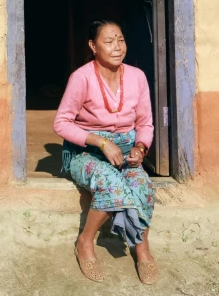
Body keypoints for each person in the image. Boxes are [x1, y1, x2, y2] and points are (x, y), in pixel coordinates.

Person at [53, 20, 158, 284]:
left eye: (120, 40)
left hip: (125, 155)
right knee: (111, 184)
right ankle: (85, 242)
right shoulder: (82, 77)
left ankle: (141, 248)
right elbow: (61, 123)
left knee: (143, 185)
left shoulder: (137, 76)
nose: (117, 47)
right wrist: (101, 142)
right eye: (108, 41)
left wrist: (140, 147)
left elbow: (145, 123)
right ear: (93, 46)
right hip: (85, 154)